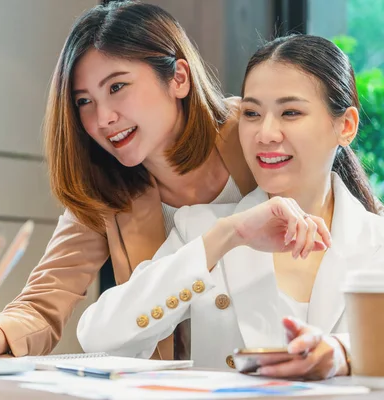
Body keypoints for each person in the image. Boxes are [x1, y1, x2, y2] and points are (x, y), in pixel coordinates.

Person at [76, 34, 384, 380]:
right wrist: (228, 235)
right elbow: (98, 336)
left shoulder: (377, 240)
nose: (265, 133)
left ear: (346, 126)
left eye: (291, 112)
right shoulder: (206, 228)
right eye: (251, 113)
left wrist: (344, 353)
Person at [0, 1, 256, 358]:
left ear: (178, 78)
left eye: (116, 88)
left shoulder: (255, 131)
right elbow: (42, 304)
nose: (102, 118)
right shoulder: (105, 190)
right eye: (84, 101)